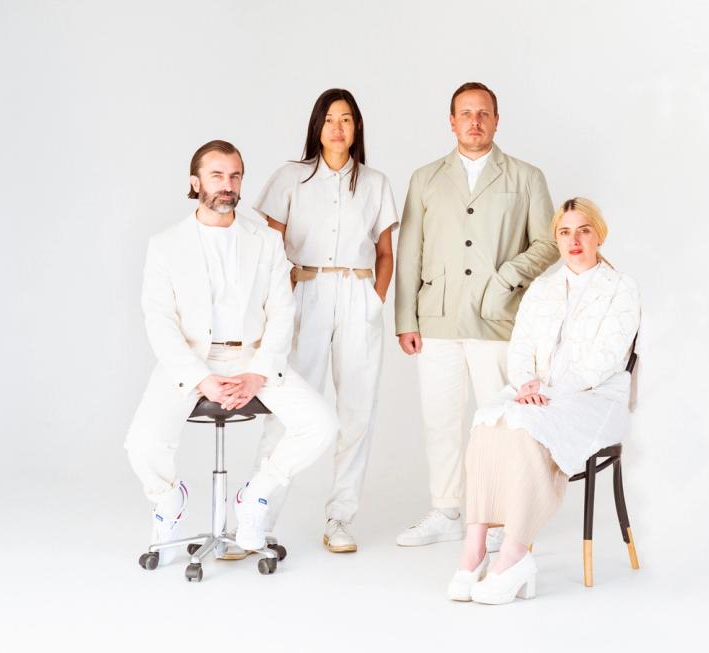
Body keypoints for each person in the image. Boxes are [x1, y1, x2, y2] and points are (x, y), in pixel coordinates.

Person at [125, 140, 337, 564]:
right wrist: (201, 378)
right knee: (142, 443)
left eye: (235, 175)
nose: (228, 185)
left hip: (252, 358)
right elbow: (159, 321)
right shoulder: (165, 244)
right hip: (190, 359)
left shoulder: (264, 240)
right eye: (217, 175)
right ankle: (168, 500)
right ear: (195, 182)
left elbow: (281, 311)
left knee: (321, 424)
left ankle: (256, 496)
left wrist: (258, 373)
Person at [446, 197, 641, 604]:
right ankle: (475, 548)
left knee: (526, 429)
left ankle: (515, 554)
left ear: (598, 235)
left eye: (583, 230)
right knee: (487, 422)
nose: (574, 240)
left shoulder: (620, 288)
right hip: (537, 392)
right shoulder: (543, 288)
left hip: (595, 398)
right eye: (565, 232)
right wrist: (527, 383)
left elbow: (605, 359)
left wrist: (549, 393)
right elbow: (520, 348)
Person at [394, 82, 560, 547]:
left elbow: (548, 243)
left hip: (498, 318)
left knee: (500, 423)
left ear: (496, 119)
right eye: (465, 113)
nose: (474, 121)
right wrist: (405, 317)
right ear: (451, 121)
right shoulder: (425, 179)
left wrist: (509, 275)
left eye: (483, 113)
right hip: (438, 318)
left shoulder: (526, 177)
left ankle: (506, 519)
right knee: (440, 419)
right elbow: (409, 252)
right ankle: (446, 511)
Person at [252, 89, 398, 553]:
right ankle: (258, 516)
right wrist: (280, 300)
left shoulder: (374, 183)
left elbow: (385, 252)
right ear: (317, 125)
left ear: (357, 128)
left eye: (347, 119)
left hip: (358, 295)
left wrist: (374, 300)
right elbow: (267, 246)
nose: (338, 128)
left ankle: (340, 518)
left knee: (357, 411)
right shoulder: (290, 178)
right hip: (304, 292)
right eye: (330, 119)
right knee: (286, 407)